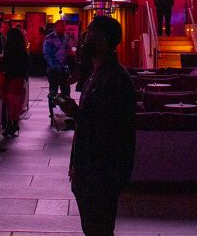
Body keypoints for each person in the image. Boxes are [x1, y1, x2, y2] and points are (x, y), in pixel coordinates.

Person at [55, 16, 136, 236]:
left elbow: (111, 129)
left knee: (98, 229)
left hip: (101, 172)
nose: (83, 39)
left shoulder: (115, 79)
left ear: (103, 40)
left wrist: (77, 114)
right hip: (89, 170)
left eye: (89, 34)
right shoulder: (96, 74)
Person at [0, 27, 30, 137]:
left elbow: (5, 64)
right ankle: (14, 123)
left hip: (10, 78)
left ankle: (10, 124)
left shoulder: (9, 51)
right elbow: (27, 65)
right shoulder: (23, 52)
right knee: (16, 103)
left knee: (9, 103)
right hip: (20, 79)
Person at [42, 19, 74, 123]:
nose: (64, 28)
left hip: (64, 69)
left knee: (66, 92)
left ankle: (66, 112)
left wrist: (70, 52)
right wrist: (54, 66)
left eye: (65, 26)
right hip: (53, 70)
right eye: (62, 26)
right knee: (54, 93)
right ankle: (53, 114)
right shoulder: (49, 38)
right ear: (56, 27)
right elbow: (47, 54)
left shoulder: (66, 37)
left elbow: (69, 50)